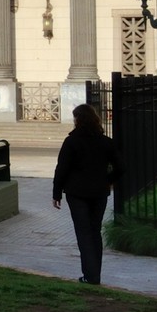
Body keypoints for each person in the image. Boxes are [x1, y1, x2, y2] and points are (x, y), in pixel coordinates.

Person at [52, 103, 123, 285]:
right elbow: (121, 167)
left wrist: (57, 192)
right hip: (99, 192)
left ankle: (90, 276)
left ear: (78, 120)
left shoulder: (72, 142)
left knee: (83, 233)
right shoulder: (106, 142)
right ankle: (94, 274)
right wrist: (108, 180)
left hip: (76, 192)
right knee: (94, 232)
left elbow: (62, 168)